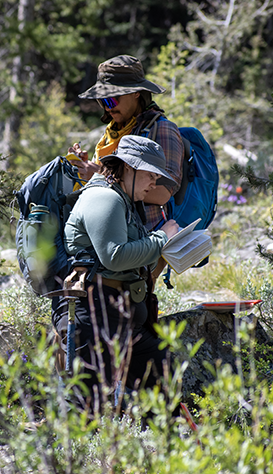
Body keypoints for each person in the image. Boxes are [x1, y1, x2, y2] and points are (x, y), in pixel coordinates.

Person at [56, 135, 180, 410]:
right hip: (95, 316)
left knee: (161, 379)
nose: (153, 184)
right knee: (87, 406)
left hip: (119, 316)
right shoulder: (106, 198)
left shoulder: (123, 200)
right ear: (128, 168)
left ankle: (161, 447)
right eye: (149, 175)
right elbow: (114, 256)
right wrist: (161, 239)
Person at [70, 55, 185, 233]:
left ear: (136, 93)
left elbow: (163, 194)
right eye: (102, 100)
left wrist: (100, 175)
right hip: (109, 232)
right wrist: (84, 168)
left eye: (112, 99)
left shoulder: (162, 130)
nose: (108, 107)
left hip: (145, 239)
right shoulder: (111, 134)